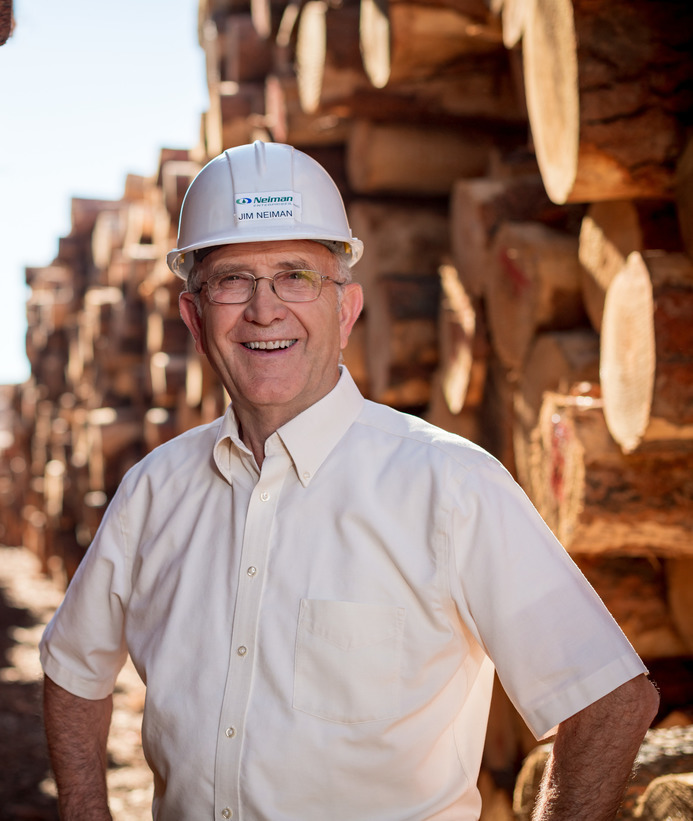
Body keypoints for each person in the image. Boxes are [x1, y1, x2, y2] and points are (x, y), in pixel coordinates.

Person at [41, 141, 658, 821]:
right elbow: (74, 669)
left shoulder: (450, 486)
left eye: (296, 276)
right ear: (193, 317)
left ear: (347, 309)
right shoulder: (153, 491)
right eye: (231, 280)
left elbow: (607, 698)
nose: (264, 309)